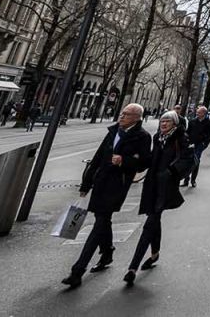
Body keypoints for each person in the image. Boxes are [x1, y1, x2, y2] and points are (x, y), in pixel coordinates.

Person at [61, 103, 152, 288]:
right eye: (122, 113)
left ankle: (78, 270)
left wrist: (124, 161)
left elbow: (143, 163)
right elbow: (98, 157)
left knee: (100, 223)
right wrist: (86, 182)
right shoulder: (113, 131)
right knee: (103, 219)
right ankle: (108, 251)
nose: (121, 116)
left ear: (136, 118)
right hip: (101, 181)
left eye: (126, 114)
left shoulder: (142, 137)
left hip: (117, 185)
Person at [123, 110, 193, 286]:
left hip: (166, 187)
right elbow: (152, 158)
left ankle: (132, 267)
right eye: (162, 121)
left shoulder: (181, 138)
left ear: (174, 124)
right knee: (155, 220)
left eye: (167, 121)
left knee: (150, 223)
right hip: (152, 186)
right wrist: (134, 161)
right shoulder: (157, 138)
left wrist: (170, 172)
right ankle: (154, 254)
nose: (163, 124)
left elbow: (188, 160)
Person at [178, 106, 210, 188]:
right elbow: (187, 132)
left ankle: (193, 180)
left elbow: (209, 134)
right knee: (188, 161)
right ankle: (186, 180)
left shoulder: (208, 122)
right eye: (197, 112)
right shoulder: (193, 121)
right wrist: (186, 140)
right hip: (191, 144)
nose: (197, 113)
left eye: (199, 112)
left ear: (204, 113)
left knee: (196, 161)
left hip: (200, 144)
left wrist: (205, 144)